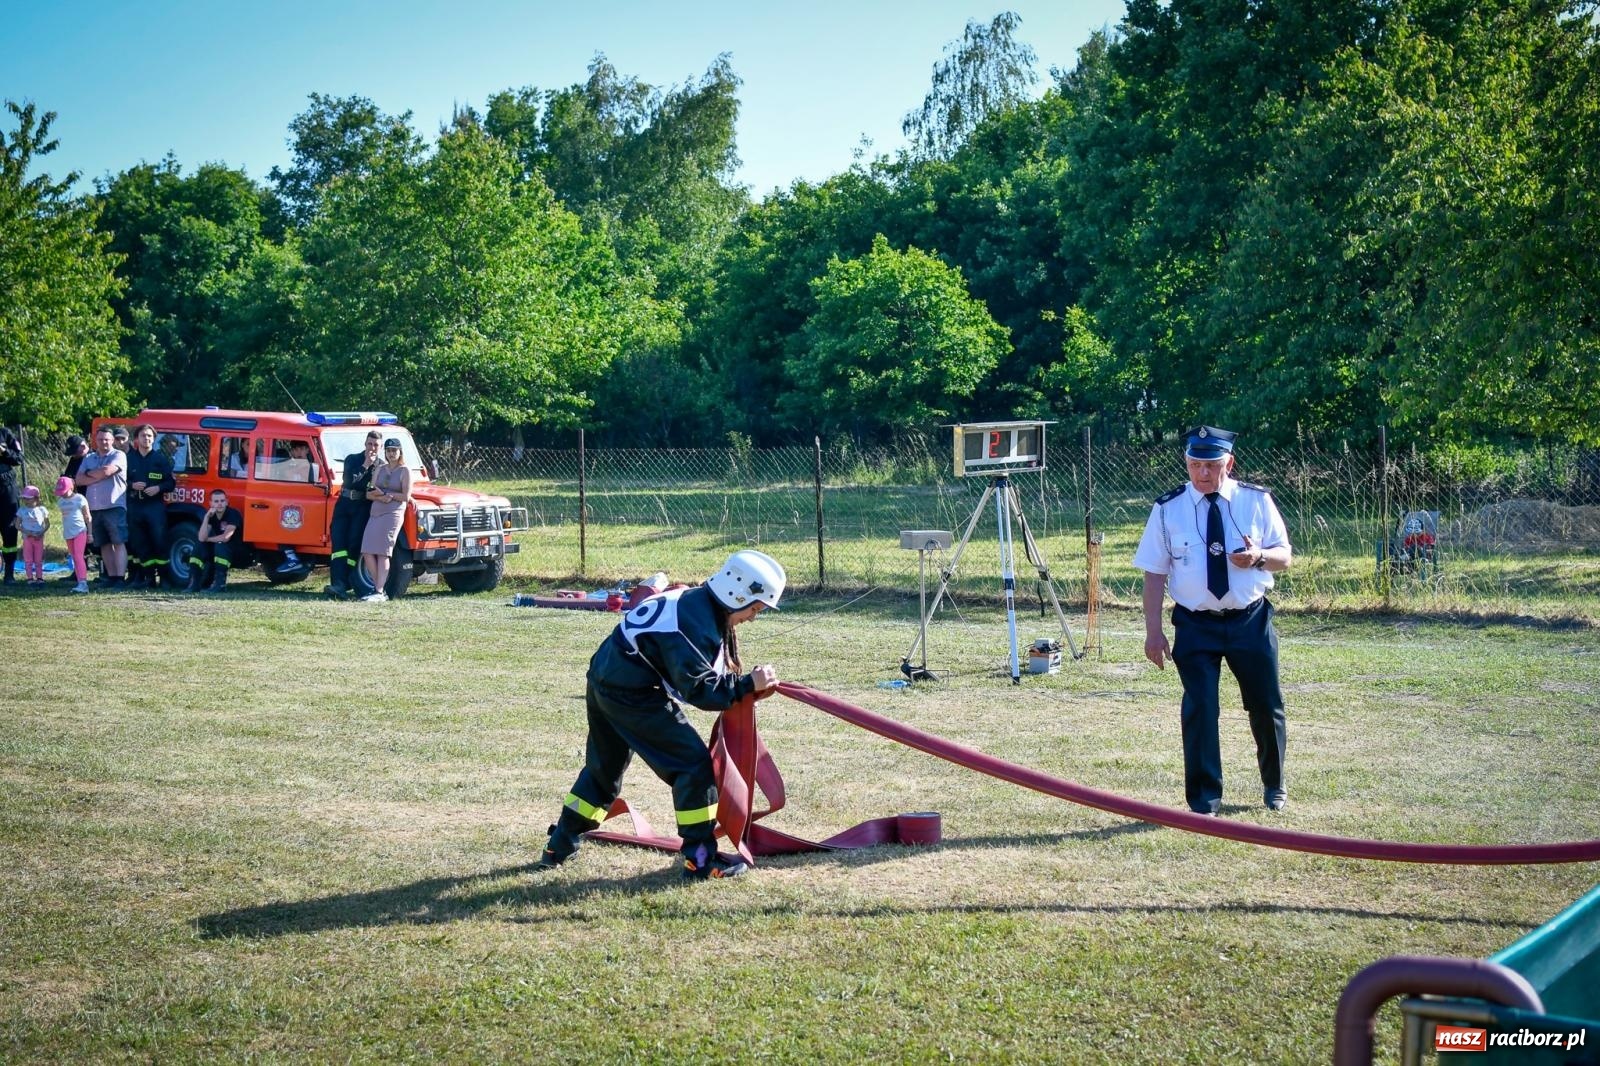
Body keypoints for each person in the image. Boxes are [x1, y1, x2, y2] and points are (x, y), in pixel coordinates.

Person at [536, 549, 786, 881]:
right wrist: (746, 685)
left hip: (605, 677)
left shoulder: (697, 602)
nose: (754, 617)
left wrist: (743, 684)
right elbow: (701, 692)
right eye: (755, 608)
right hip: (632, 693)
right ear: (737, 595)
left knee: (604, 770)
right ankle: (700, 860)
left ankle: (560, 844)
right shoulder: (694, 623)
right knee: (694, 767)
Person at [1133, 426, 1294, 816]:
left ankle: (1274, 784)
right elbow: (1154, 573)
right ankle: (1204, 798)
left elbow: (1284, 556)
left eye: (1211, 465)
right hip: (1195, 623)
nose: (1202, 474)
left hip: (1249, 620)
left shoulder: (1256, 501)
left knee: (1265, 705)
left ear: (1229, 464)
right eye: (1194, 465)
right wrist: (1153, 633)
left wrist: (1258, 557)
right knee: (1201, 707)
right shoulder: (1168, 508)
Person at [326, 430, 381, 599]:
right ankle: (338, 583)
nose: (372, 448)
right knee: (339, 546)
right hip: (344, 505)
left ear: (380, 447)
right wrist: (365, 465)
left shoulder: (381, 465)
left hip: (362, 508)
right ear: (365, 444)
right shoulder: (352, 459)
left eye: (376, 445)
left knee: (353, 545)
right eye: (370, 444)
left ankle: (348, 582)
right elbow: (350, 481)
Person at [358, 438, 411, 603]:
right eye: (388, 450)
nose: (391, 453)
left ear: (400, 451)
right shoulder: (380, 469)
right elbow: (369, 493)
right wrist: (381, 496)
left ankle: (379, 591)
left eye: (394, 450)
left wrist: (391, 496)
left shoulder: (405, 470)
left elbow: (406, 496)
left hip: (393, 514)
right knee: (367, 551)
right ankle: (378, 587)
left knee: (383, 553)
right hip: (376, 512)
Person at [76, 428, 129, 587]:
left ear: (112, 440)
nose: (104, 442)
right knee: (104, 543)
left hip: (114, 505)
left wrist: (90, 474)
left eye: (107, 439)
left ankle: (120, 578)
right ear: (95, 441)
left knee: (118, 541)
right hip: (94, 507)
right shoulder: (89, 457)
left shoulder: (118, 455)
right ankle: (111, 577)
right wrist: (97, 475)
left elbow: (107, 471)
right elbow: (78, 480)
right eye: (100, 439)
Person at [125, 424, 175, 589]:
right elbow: (120, 483)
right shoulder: (128, 459)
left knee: (159, 542)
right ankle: (148, 579)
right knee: (140, 544)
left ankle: (165, 579)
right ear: (137, 439)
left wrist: (158, 488)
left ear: (154, 439)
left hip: (154, 508)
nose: (146, 439)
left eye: (149, 436)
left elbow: (171, 483)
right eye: (143, 436)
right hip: (135, 507)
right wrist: (132, 485)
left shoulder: (161, 459)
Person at [187, 489, 241, 593]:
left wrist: (209, 539)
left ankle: (219, 585)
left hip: (237, 551)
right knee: (199, 545)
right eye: (216, 501)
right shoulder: (211, 516)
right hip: (220, 549)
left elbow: (226, 537)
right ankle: (194, 584)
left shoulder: (233, 514)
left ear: (226, 502)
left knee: (220, 544)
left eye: (222, 501)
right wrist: (206, 517)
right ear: (210, 503)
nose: (219, 504)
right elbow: (201, 538)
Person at [55, 477, 91, 594]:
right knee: (74, 557)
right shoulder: (61, 502)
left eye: (64, 491)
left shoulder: (79, 499)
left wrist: (90, 533)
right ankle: (79, 580)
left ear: (71, 487)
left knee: (78, 556)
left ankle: (83, 583)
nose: (62, 494)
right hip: (68, 533)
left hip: (80, 531)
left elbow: (88, 517)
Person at [15, 485, 49, 587]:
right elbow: (17, 525)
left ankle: (39, 577)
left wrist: (41, 532)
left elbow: (47, 524)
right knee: (28, 558)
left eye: (28, 498)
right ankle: (30, 578)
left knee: (38, 559)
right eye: (24, 498)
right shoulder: (22, 510)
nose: (26, 501)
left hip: (39, 538)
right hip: (27, 538)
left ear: (36, 498)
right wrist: (26, 532)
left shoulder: (42, 510)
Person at [0, 424, 22, 585]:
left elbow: (19, 459)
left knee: (9, 530)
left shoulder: (5, 433)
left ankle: (9, 573)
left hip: (6, 488)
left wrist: (4, 451)